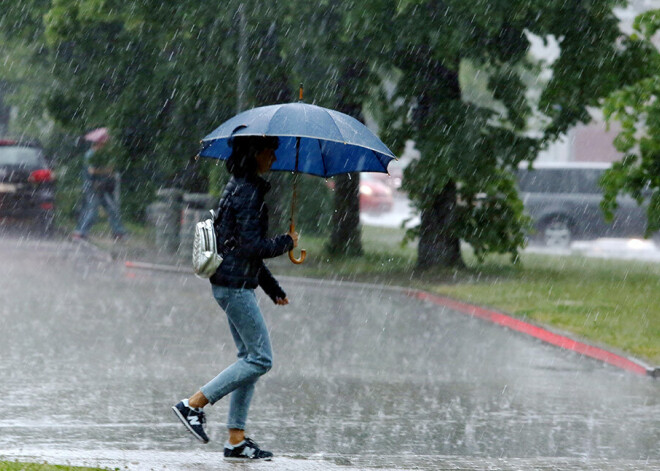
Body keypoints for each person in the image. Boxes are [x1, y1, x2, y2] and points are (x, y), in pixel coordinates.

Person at [172, 133, 298, 461]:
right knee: (260, 359)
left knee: (249, 361)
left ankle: (236, 441)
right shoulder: (247, 192)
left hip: (233, 282)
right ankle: (193, 405)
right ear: (255, 153)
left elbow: (240, 251)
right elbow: (249, 247)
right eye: (270, 150)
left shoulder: (240, 186)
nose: (274, 156)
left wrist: (272, 289)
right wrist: (285, 243)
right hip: (233, 286)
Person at [72, 131, 126, 240]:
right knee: (92, 211)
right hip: (92, 187)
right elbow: (92, 171)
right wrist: (107, 170)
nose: (106, 145)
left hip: (101, 186)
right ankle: (80, 232)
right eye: (104, 143)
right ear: (99, 143)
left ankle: (118, 232)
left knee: (112, 209)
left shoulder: (101, 155)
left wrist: (109, 170)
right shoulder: (90, 155)